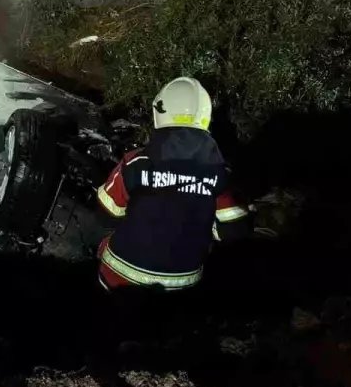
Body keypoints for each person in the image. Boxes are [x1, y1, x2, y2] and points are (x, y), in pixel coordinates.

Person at [96, 77, 251, 290]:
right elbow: (233, 231)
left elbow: (106, 213)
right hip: (182, 286)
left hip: (120, 279)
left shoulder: (136, 163)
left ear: (160, 113)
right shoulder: (219, 173)